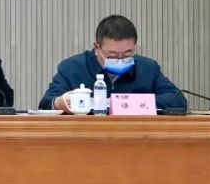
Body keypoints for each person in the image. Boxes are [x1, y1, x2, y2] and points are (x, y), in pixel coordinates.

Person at [39, 14, 187, 112]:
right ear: (97, 48)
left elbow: (177, 100)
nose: (120, 60)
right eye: (113, 55)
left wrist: (121, 103)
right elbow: (45, 105)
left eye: (127, 54)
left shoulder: (148, 68)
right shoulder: (71, 68)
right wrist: (59, 103)